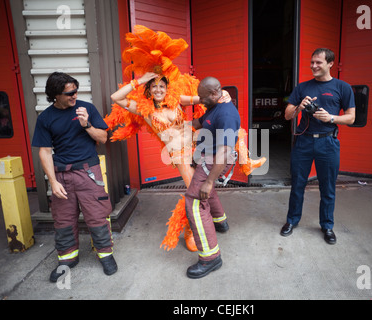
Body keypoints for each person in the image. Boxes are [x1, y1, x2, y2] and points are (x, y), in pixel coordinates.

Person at [105, 25, 265, 252]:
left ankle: (245, 167)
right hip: (180, 153)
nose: (159, 89)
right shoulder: (144, 109)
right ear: (149, 91)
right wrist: (141, 80)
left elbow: (203, 97)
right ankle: (192, 230)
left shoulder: (176, 99)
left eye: (162, 85)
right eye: (155, 86)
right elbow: (116, 97)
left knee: (234, 133)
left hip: (196, 142)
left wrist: (223, 95)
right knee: (194, 191)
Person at [32, 72, 117, 282]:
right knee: (63, 219)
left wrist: (86, 125)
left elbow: (104, 137)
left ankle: (105, 254)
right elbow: (44, 151)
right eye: (69, 93)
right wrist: (52, 181)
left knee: (97, 215)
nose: (74, 96)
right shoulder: (45, 118)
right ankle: (68, 259)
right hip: (61, 175)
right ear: (55, 95)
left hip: (88, 171)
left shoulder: (86, 108)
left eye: (75, 91)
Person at [280, 48, 355, 244]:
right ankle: (291, 221)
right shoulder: (302, 88)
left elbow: (351, 117)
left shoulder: (343, 87)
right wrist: (299, 106)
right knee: (297, 184)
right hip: (303, 141)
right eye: (312, 62)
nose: (313, 66)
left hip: (328, 142)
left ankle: (327, 226)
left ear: (330, 64)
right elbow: (287, 115)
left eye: (318, 63)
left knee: (328, 187)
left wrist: (331, 117)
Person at [184, 76, 240, 279]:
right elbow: (201, 122)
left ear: (214, 93)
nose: (200, 100)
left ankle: (210, 258)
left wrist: (208, 181)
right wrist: (181, 126)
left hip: (215, 160)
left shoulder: (226, 114)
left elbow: (225, 151)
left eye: (202, 97)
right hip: (208, 157)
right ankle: (220, 222)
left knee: (194, 202)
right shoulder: (215, 105)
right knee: (206, 192)